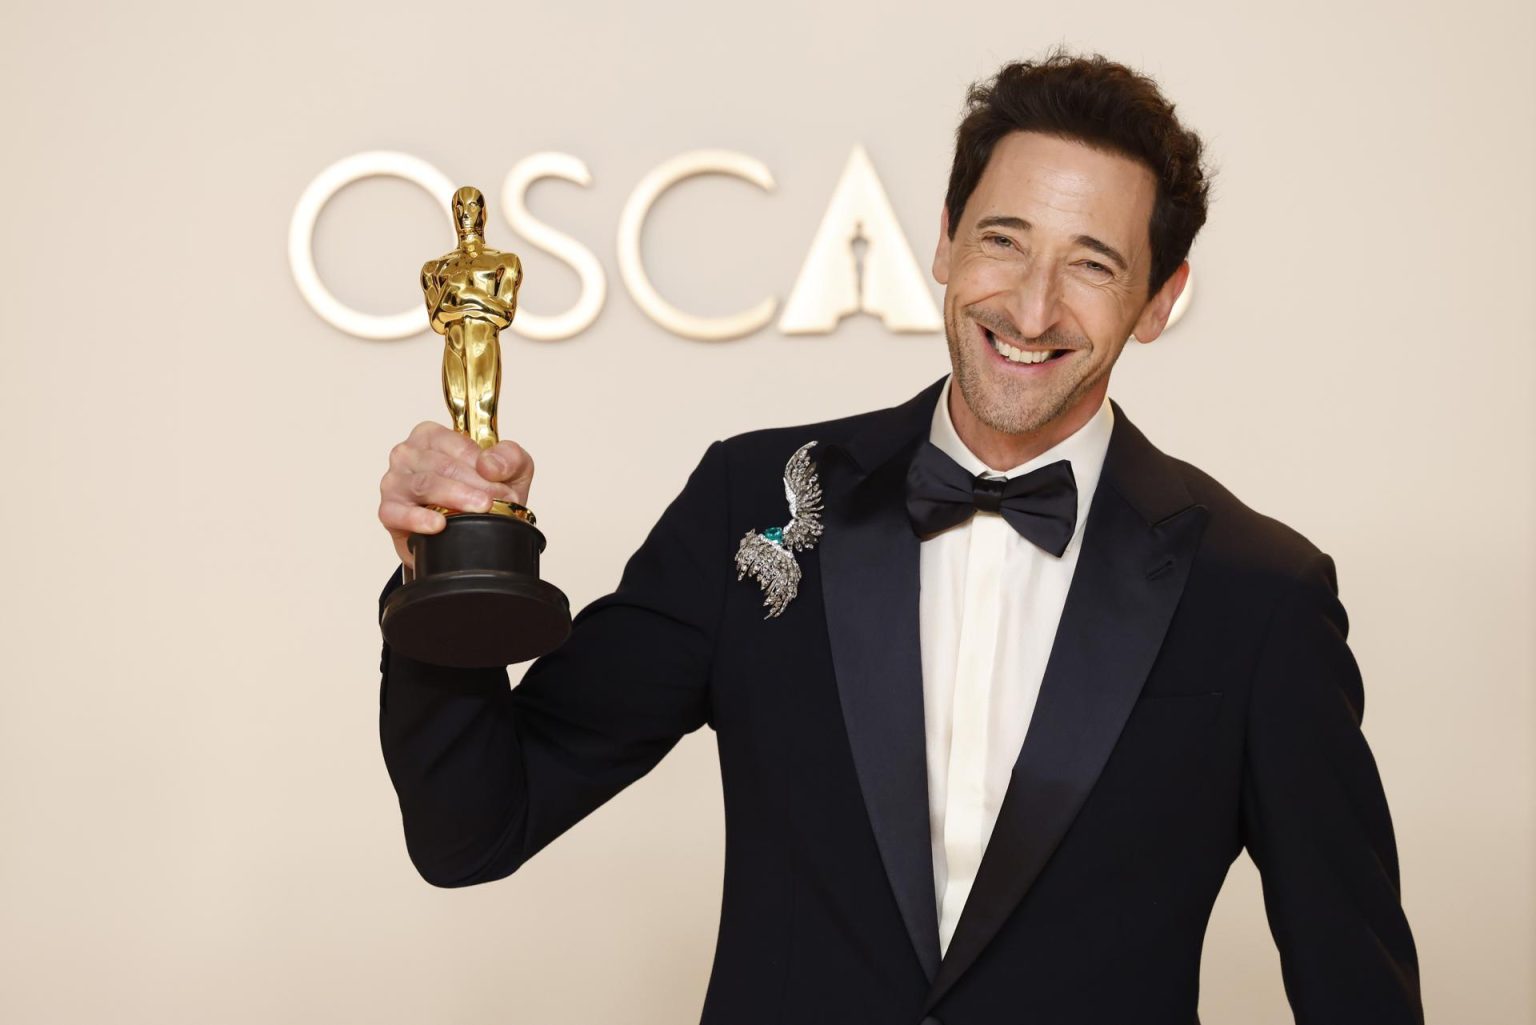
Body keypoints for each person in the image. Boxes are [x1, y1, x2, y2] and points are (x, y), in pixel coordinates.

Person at [375, 51, 1423, 1024]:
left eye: (1093, 264)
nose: (1031, 303)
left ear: (1159, 301)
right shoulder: (759, 495)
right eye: (1004, 239)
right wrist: (442, 569)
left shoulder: (1259, 592)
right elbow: (474, 826)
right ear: (944, 239)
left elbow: (1356, 984)